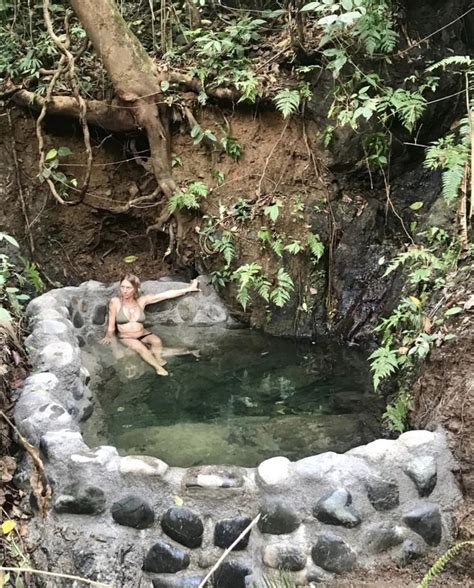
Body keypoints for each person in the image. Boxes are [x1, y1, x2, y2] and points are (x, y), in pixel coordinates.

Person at [100, 274, 200, 376]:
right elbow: (111, 324)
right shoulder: (115, 302)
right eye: (122, 287)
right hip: (126, 336)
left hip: (142, 333)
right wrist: (109, 336)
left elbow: (166, 295)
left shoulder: (142, 300)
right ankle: (158, 367)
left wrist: (189, 289)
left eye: (128, 287)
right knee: (140, 348)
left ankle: (158, 358)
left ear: (135, 289)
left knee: (156, 341)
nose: (124, 290)